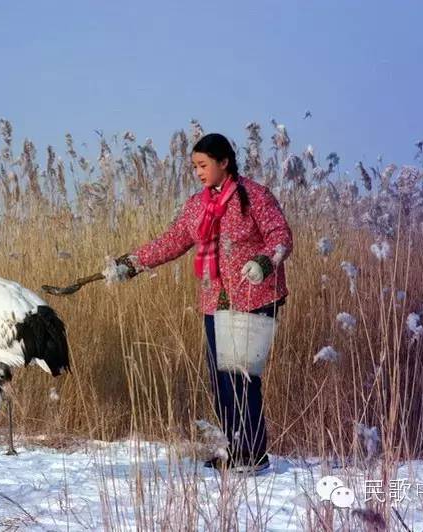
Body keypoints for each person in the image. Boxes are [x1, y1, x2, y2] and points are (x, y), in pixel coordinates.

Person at [115, 132, 293, 473]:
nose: (198, 171)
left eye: (203, 165)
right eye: (194, 166)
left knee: (242, 377)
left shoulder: (254, 197)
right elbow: (174, 239)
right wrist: (135, 262)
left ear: (224, 162)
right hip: (214, 302)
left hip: (253, 299)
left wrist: (265, 262)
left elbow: (281, 236)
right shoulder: (198, 205)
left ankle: (252, 455)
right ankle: (234, 448)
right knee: (220, 379)